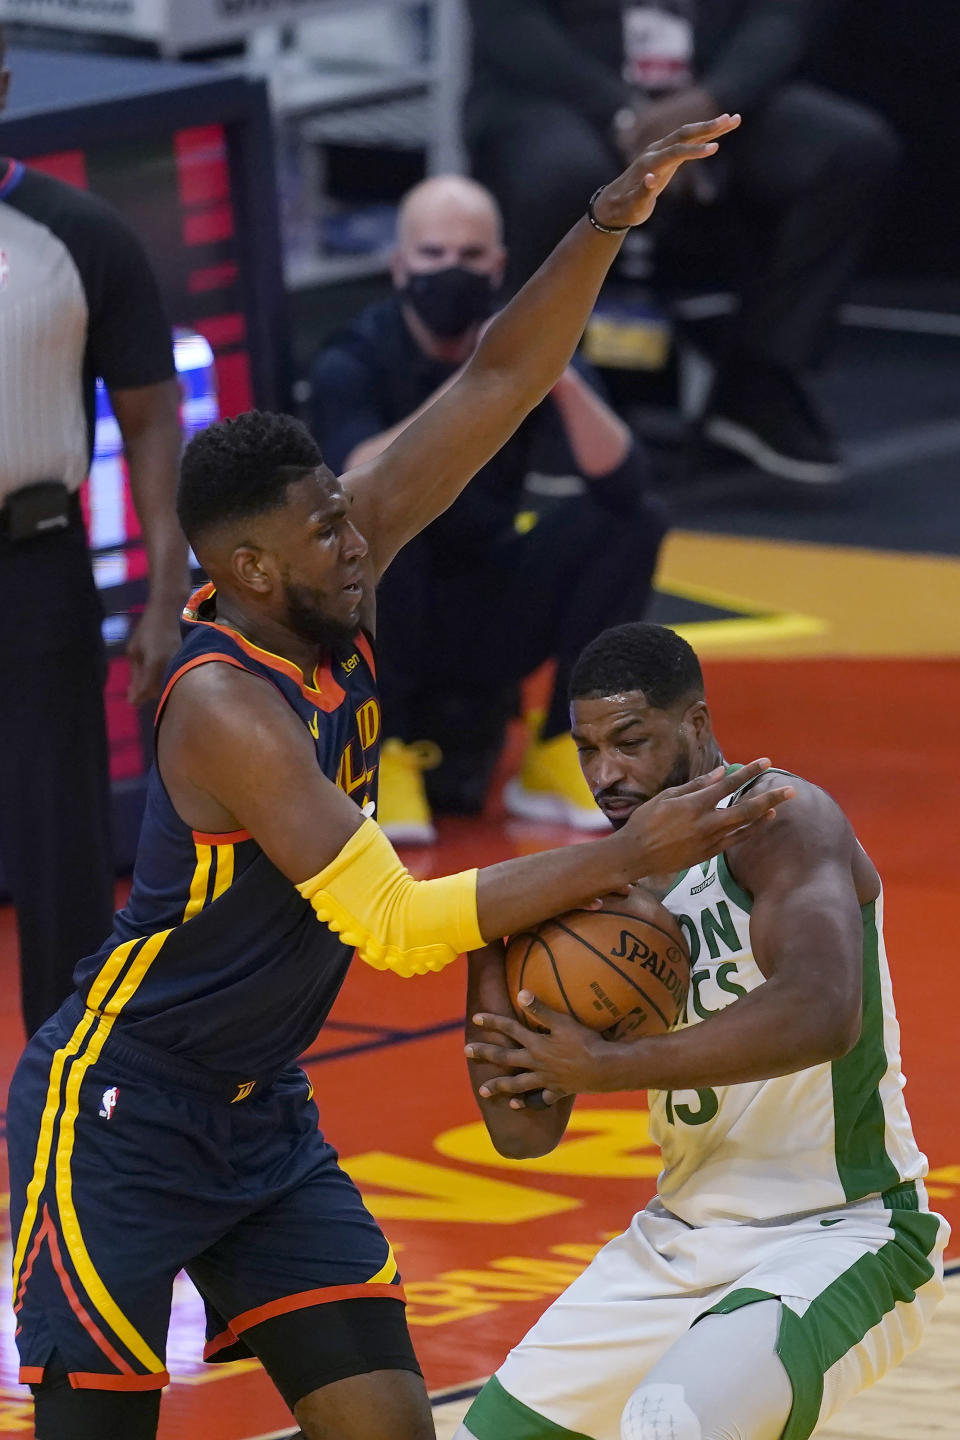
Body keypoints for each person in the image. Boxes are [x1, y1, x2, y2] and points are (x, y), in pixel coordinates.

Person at [5, 115, 800, 1440]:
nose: (357, 532)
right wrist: (627, 852)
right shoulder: (223, 709)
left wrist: (606, 218)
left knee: (387, 1422)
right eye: (325, 524)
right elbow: (396, 922)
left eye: (344, 504)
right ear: (252, 571)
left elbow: (497, 382)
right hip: (121, 1117)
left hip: (264, 1115)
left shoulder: (326, 566)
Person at [459, 621, 947, 1440]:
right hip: (679, 1241)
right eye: (585, 749)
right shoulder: (593, 889)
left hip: (843, 1230)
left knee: (671, 1422)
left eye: (630, 741)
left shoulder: (777, 820)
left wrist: (612, 1067)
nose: (605, 774)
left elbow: (825, 1010)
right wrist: (486, 937)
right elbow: (523, 1132)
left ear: (694, 725)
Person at [311, 175, 665, 842]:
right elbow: (348, 485)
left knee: (632, 521)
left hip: (489, 603)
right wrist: (474, 389)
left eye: (471, 257)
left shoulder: (520, 343)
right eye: (433, 255)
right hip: (382, 612)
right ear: (399, 266)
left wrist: (548, 374)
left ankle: (567, 748)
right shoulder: (353, 359)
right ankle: (381, 753)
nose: (453, 272)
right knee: (387, 524)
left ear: (499, 267)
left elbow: (623, 482)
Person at [466, 0, 902, 485]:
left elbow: (784, 17)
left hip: (711, 98)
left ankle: (759, 382)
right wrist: (629, 117)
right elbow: (510, 27)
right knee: (564, 175)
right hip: (558, 96)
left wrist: (713, 100)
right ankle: (532, 398)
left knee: (851, 152)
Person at [0, 27, 187, 1036]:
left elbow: (154, 417)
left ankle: (64, 1094)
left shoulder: (79, 233)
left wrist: (164, 595)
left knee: (61, 853)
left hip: (31, 567)